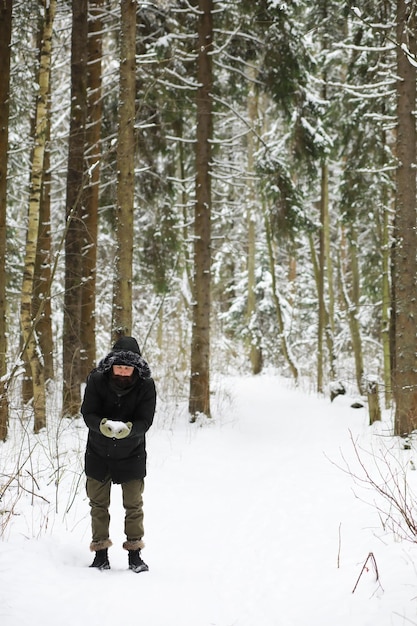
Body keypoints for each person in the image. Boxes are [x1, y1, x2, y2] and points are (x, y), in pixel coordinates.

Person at [81, 336, 156, 573]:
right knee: (98, 504)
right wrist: (101, 425)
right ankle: (100, 554)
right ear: (111, 365)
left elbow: (146, 419)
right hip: (98, 452)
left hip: (132, 453)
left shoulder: (146, 385)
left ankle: (135, 555)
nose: (123, 372)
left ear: (136, 368)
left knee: (133, 505)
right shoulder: (96, 379)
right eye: (119, 366)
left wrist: (131, 430)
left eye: (128, 367)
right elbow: (87, 412)